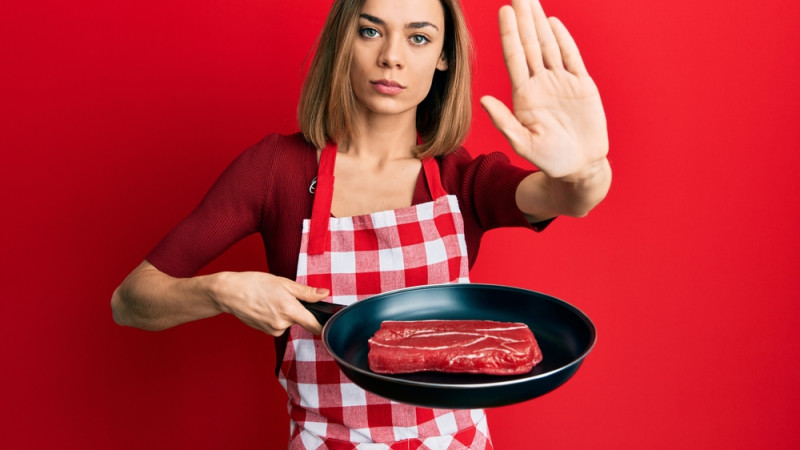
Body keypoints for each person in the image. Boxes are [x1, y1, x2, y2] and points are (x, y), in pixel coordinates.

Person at [111, 0, 610, 447]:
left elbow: (564, 196)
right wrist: (222, 291)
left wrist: (586, 168)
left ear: (443, 57)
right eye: (371, 30)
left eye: (419, 37)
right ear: (342, 39)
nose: (392, 55)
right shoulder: (275, 171)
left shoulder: (463, 178)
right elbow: (131, 300)